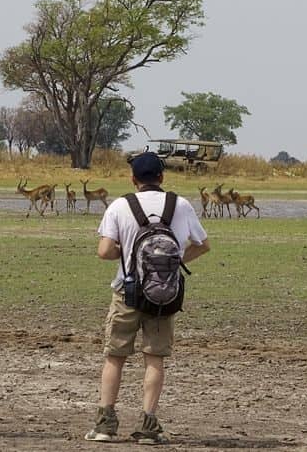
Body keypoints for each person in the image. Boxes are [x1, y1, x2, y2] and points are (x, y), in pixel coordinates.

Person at [86, 151, 210, 445]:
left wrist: (129, 256)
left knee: (115, 357)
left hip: (126, 292)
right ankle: (149, 427)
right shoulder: (180, 205)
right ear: (162, 177)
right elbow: (203, 245)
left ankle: (105, 425)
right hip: (164, 294)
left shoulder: (120, 206)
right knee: (154, 358)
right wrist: (172, 262)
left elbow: (104, 251)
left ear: (133, 179)